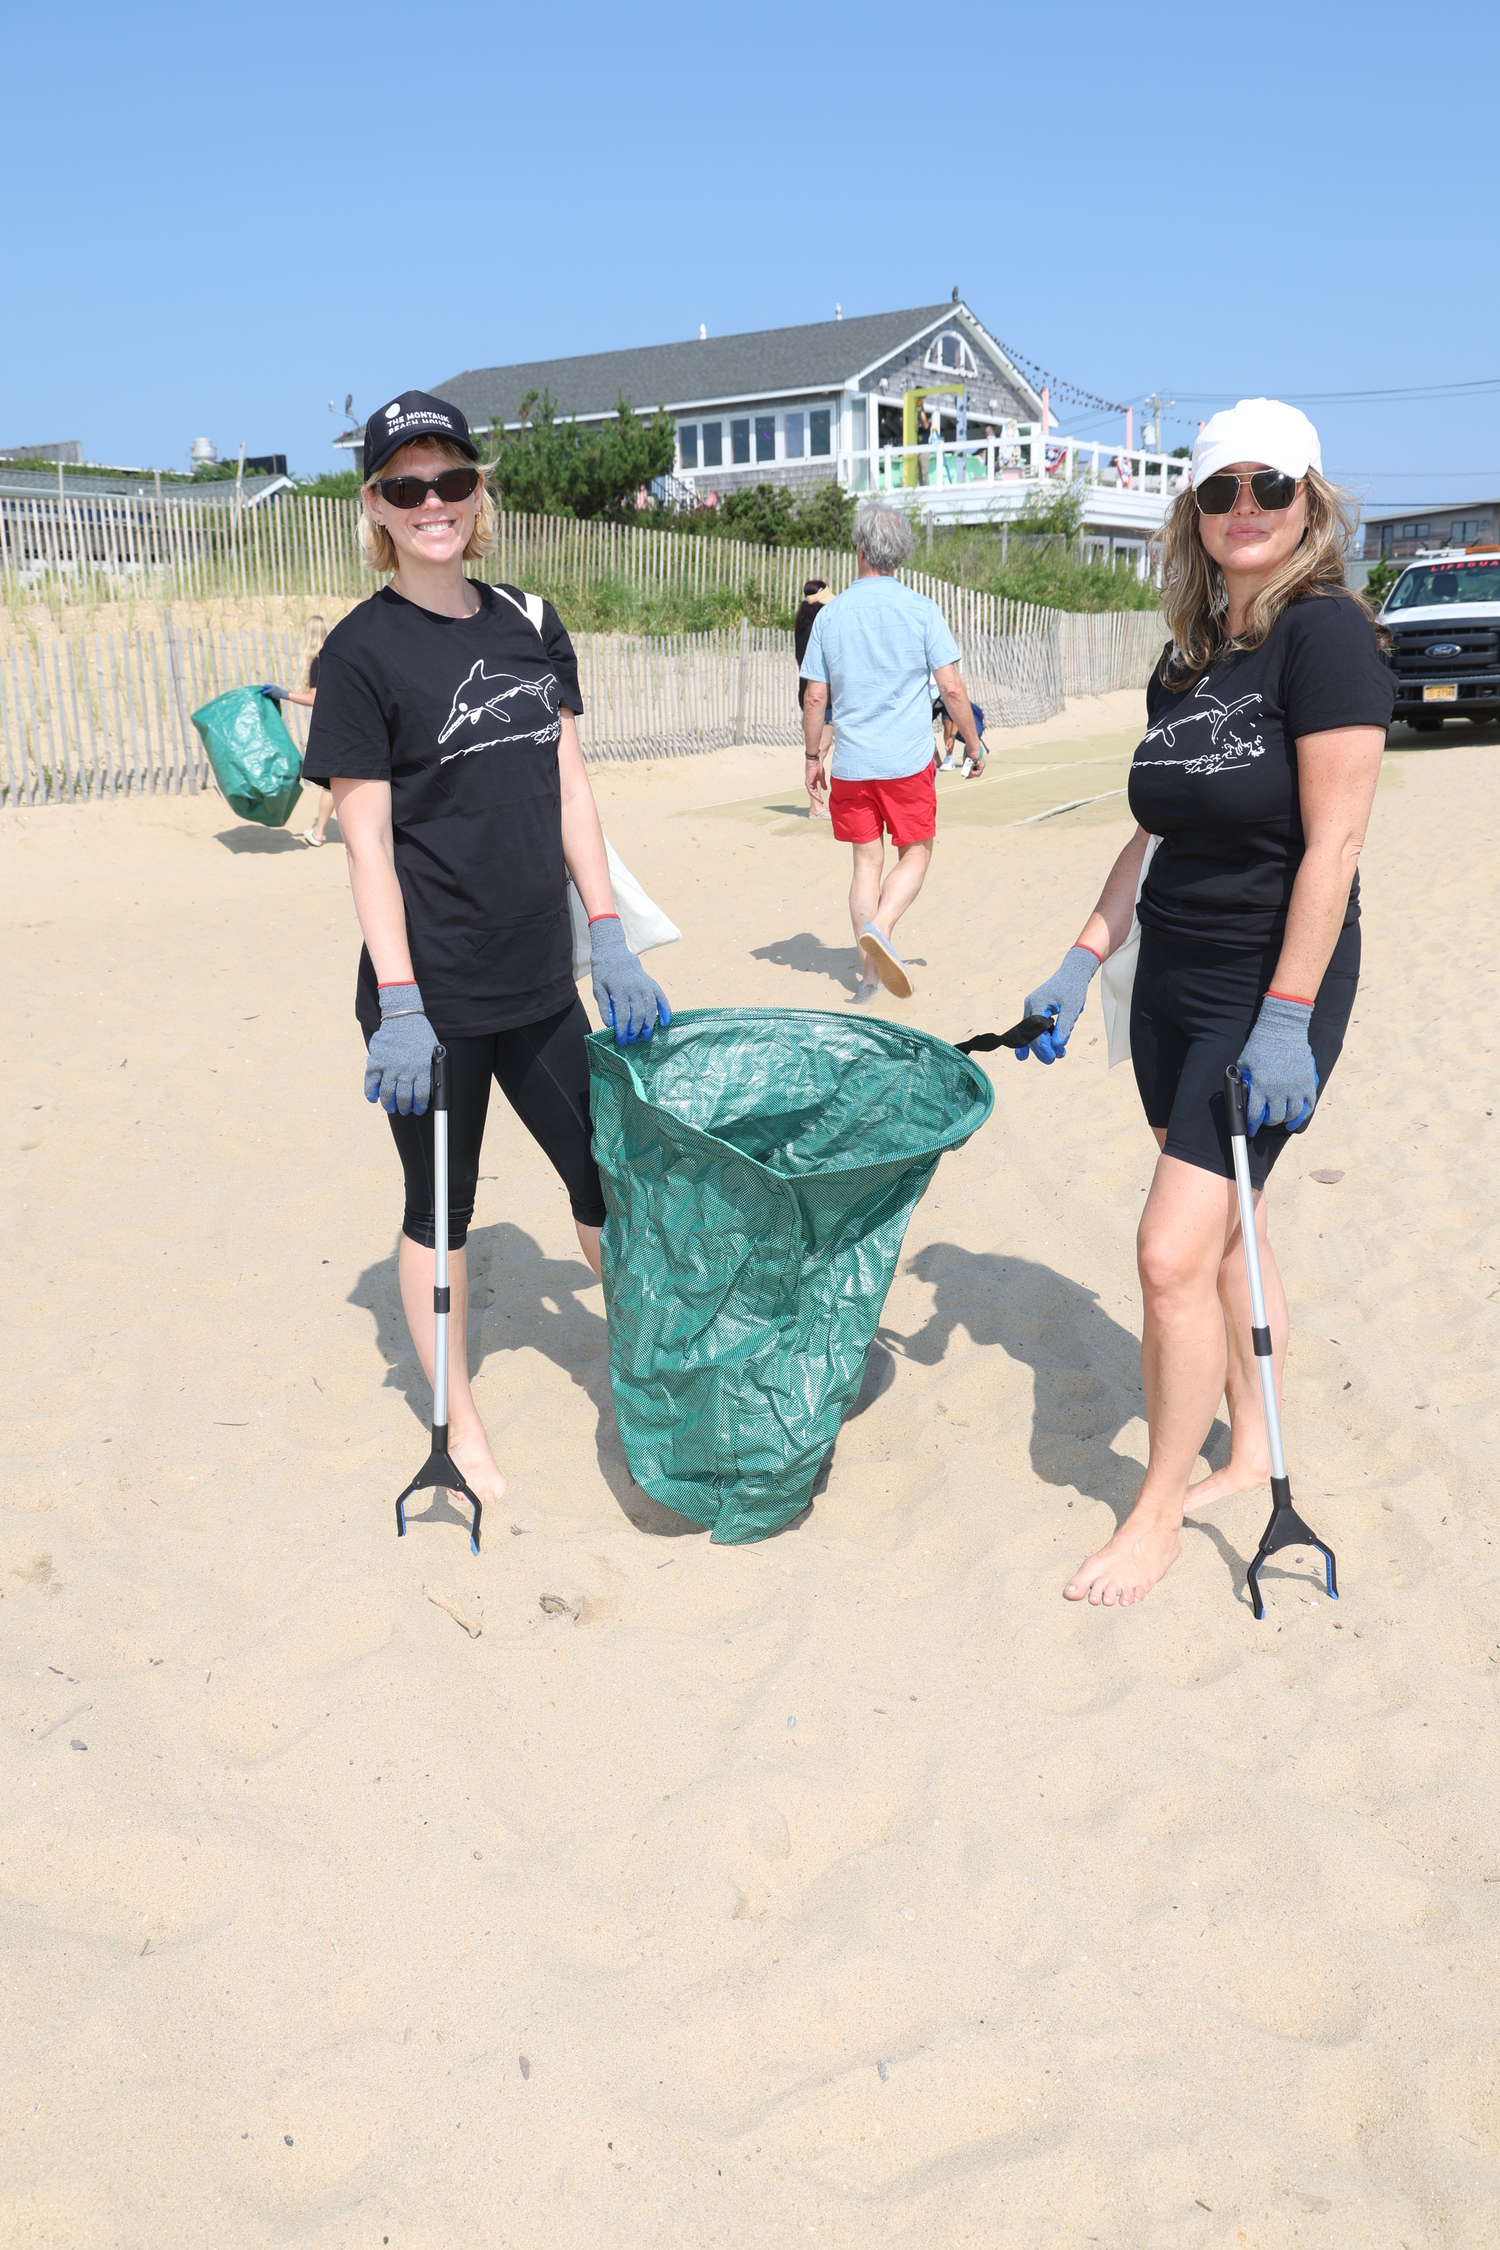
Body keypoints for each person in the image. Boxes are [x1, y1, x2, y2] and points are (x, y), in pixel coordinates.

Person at [1012, 398, 1393, 1607]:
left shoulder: (1325, 639)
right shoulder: (1186, 654)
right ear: (1193, 507)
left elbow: (1331, 850)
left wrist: (1287, 1017)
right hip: (1168, 979)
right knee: (1236, 1225)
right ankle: (1254, 1445)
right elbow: (1156, 830)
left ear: (1310, 505)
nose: (1244, 510)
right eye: (1221, 489)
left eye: (1269, 490)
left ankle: (1158, 1511)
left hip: (1267, 982)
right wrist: (1081, 960)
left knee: (1168, 1254)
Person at [300, 390, 670, 1511]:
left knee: (608, 1176)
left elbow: (567, 786)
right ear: (376, 505)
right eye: (406, 487)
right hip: (434, 995)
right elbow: (366, 844)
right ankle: (455, 1421)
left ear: (479, 492)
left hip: (542, 979)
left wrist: (606, 933)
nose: (433, 504)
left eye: (451, 481)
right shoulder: (360, 652)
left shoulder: (528, 619)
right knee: (439, 1209)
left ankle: (652, 1362)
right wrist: (402, 1002)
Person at [800, 502, 984, 1002]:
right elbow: (951, 689)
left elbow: (815, 696)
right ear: (899, 555)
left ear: (858, 549)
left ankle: (868, 980)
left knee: (865, 865)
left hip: (854, 765)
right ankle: (881, 926)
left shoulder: (829, 616)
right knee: (918, 853)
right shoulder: (922, 610)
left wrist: (813, 758)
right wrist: (972, 741)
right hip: (905, 763)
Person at [793, 579, 835, 813]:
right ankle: (816, 806)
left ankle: (818, 804)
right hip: (822, 692)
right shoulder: (819, 627)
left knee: (818, 747)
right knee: (821, 747)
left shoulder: (801, 624)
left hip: (805, 690)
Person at [288, 615, 331, 843]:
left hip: (335, 725)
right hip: (351, 719)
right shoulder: (337, 655)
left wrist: (285, 694)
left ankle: (319, 832)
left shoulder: (318, 661)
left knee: (333, 782)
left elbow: (315, 698)